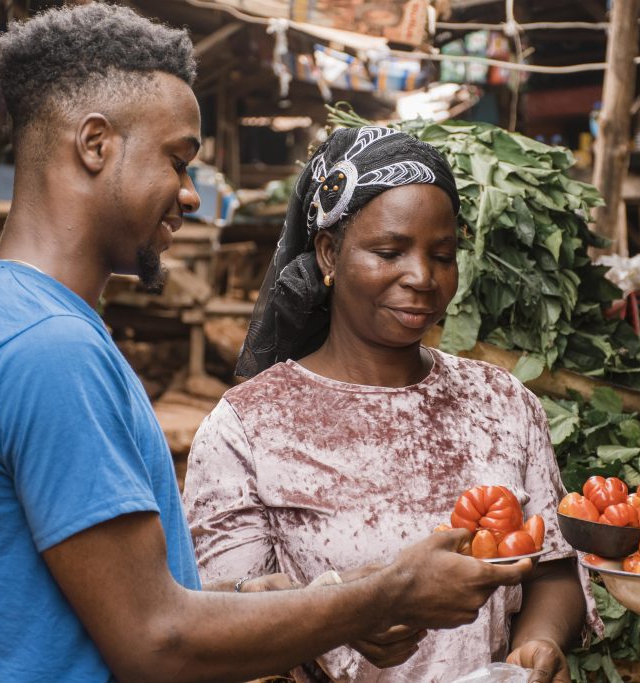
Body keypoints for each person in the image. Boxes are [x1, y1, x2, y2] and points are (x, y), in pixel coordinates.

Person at [0, 5, 534, 682]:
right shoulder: (50, 351)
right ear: (95, 144)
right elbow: (157, 640)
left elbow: (105, 603)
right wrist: (381, 596)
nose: (190, 195)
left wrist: (267, 600)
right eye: (178, 161)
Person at [183, 126, 597, 683]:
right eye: (389, 251)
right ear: (329, 252)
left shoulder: (502, 402)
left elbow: (551, 569)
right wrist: (342, 617)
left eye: (443, 254)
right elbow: (227, 624)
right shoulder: (248, 427)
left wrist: (538, 642)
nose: (422, 277)